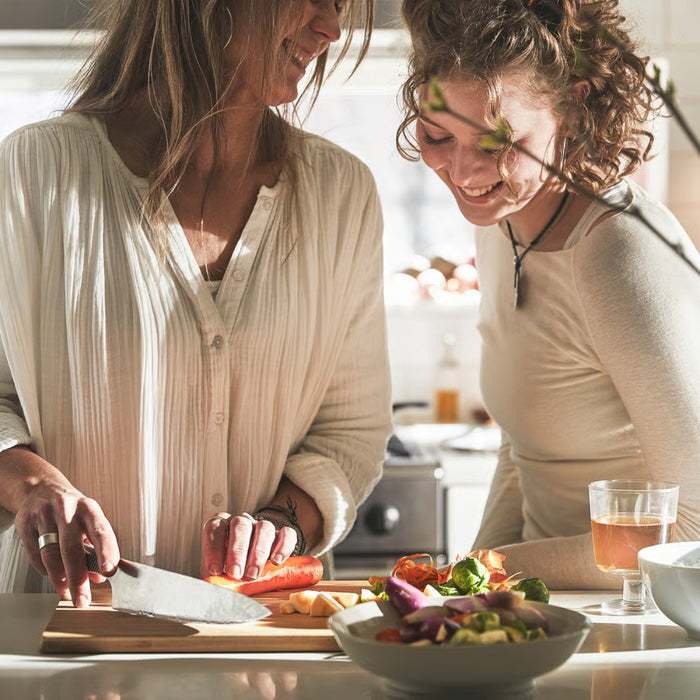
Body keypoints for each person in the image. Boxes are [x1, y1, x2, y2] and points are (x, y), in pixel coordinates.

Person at [0, 0, 392, 604]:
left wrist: (282, 524)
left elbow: (350, 432)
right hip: (59, 630)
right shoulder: (33, 173)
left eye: (340, 5)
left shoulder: (341, 194)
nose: (331, 28)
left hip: (254, 641)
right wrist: (34, 488)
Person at [398, 0, 700, 588]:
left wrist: (481, 573)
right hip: (549, 615)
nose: (462, 172)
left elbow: (692, 534)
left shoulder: (619, 253)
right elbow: (524, 448)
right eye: (437, 134)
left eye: (494, 143)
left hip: (633, 630)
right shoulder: (502, 221)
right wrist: (461, 594)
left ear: (574, 105)